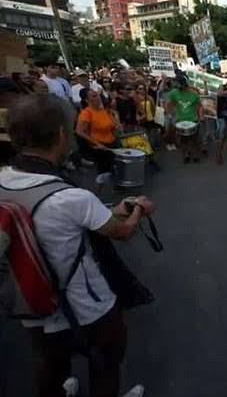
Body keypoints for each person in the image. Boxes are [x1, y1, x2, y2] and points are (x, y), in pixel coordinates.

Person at [3, 94, 154, 397]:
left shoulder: (4, 178)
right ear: (61, 135)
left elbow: (85, 219)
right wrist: (139, 208)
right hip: (88, 307)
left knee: (50, 364)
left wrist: (113, 209)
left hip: (33, 303)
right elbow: (122, 231)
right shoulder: (71, 197)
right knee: (106, 364)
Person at [75, 88, 120, 192]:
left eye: (97, 95)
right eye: (94, 96)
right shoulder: (87, 113)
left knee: (111, 169)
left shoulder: (103, 110)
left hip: (111, 143)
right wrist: (97, 143)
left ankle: (109, 190)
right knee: (103, 172)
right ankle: (95, 194)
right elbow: (79, 131)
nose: (98, 98)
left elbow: (111, 126)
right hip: (100, 147)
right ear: (87, 100)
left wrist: (116, 124)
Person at [166, 75, 203, 164]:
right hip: (180, 120)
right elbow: (168, 103)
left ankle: (195, 155)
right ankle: (185, 155)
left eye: (178, 84)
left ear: (183, 84)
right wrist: (170, 114)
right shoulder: (174, 93)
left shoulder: (193, 94)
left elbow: (199, 106)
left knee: (194, 139)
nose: (176, 86)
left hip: (192, 119)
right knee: (183, 140)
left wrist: (201, 117)